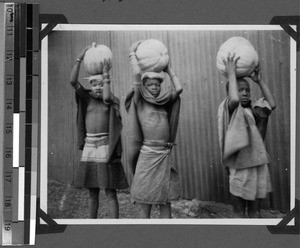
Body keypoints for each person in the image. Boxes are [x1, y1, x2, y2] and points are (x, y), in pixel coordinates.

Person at [125, 41, 183, 218]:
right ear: (143, 86)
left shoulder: (164, 101)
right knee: (145, 200)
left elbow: (179, 88)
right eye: (150, 85)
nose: (155, 87)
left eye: (157, 84)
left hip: (163, 155)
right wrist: (131, 53)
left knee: (166, 200)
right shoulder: (139, 100)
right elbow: (136, 72)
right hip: (148, 155)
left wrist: (168, 69)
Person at [69, 46, 128, 218]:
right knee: (92, 193)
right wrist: (79, 58)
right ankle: (91, 223)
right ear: (90, 85)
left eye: (102, 84)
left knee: (110, 192)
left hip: (105, 149)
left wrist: (105, 74)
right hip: (90, 148)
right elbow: (73, 81)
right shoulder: (87, 99)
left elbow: (107, 97)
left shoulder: (109, 101)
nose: (98, 88)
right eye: (94, 84)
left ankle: (114, 226)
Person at [217, 52, 276, 218]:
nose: (244, 93)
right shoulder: (231, 109)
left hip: (257, 164)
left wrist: (259, 81)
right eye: (240, 89)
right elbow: (234, 99)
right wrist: (231, 73)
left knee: (255, 211)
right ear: (230, 93)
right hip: (239, 167)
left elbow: (272, 105)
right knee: (238, 210)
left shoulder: (254, 110)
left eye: (247, 90)